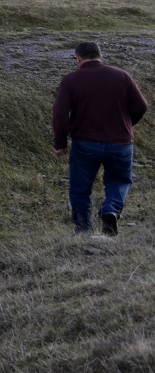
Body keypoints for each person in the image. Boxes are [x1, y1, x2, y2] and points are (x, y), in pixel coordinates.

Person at [53, 41, 148, 235]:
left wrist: (60, 142)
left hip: (85, 144)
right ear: (100, 56)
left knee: (80, 187)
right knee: (120, 180)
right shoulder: (122, 76)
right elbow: (141, 106)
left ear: (78, 59)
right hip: (120, 143)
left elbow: (60, 114)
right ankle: (111, 210)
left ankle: (83, 230)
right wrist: (126, 125)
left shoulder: (71, 80)